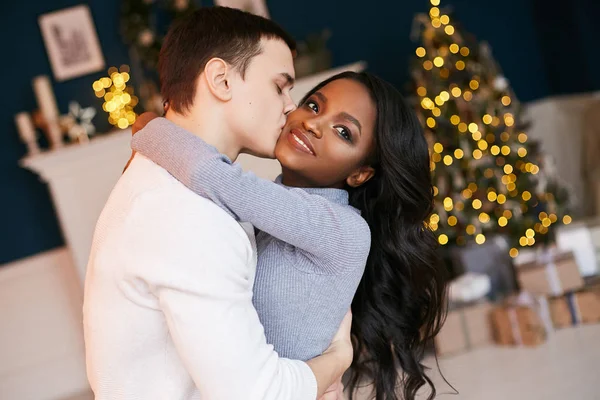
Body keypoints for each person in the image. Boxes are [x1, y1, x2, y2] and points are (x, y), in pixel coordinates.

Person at [83, 7, 352, 400]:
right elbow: (256, 394)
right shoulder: (184, 215)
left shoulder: (168, 184)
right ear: (221, 79)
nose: (290, 106)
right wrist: (337, 360)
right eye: (279, 86)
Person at [131, 70, 449, 400]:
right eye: (313, 105)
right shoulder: (275, 210)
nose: (313, 123)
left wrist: (151, 126)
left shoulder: (343, 229)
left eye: (343, 132)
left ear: (360, 174)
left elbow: (212, 175)